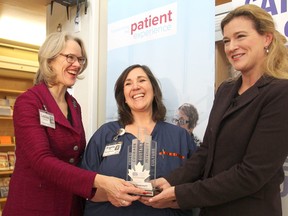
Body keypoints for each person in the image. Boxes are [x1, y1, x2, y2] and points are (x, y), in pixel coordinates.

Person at [144, 4, 288, 216]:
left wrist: (182, 194)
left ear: (266, 38)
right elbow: (206, 151)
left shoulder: (280, 93)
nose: (231, 47)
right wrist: (171, 181)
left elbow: (252, 174)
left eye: (240, 36)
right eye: (227, 40)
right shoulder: (226, 90)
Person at [3, 32, 145, 216]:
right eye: (70, 57)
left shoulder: (74, 105)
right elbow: (41, 160)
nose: (77, 65)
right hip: (34, 206)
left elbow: (75, 159)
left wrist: (108, 192)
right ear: (50, 59)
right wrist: (101, 181)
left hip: (70, 205)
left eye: (80, 59)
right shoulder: (29, 102)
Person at [81, 64, 197, 216]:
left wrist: (170, 201)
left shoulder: (180, 137)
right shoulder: (105, 134)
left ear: (154, 90)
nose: (135, 87)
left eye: (141, 80)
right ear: (124, 97)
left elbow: (197, 190)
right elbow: (84, 185)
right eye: (128, 83)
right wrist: (112, 194)